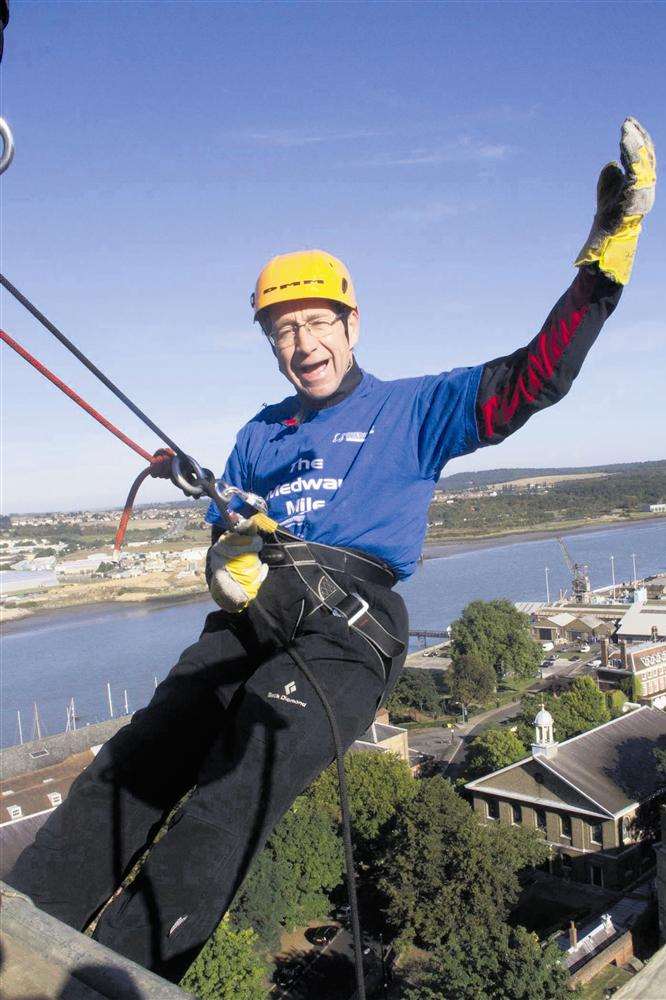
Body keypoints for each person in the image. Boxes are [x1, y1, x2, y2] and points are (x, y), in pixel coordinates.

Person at [6, 118, 656, 982]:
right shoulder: (258, 437)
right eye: (282, 330)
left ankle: (111, 980)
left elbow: (534, 378)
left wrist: (603, 262)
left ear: (352, 325)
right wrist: (229, 558)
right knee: (133, 760)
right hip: (253, 617)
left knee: (233, 793)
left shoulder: (413, 409)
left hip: (348, 630)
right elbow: (225, 551)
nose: (302, 342)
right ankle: (25, 923)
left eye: (317, 322)